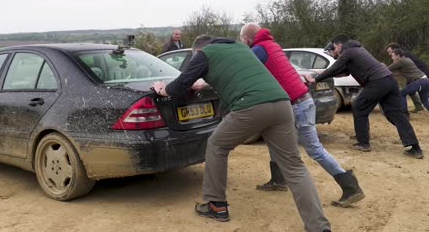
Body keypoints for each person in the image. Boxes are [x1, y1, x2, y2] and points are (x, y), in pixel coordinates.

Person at [152, 35, 331, 231]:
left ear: (197, 50)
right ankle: (318, 226)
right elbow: (238, 77)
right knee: (294, 167)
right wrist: (203, 84)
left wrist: (162, 90)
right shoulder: (241, 48)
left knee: (217, 145)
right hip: (282, 103)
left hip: (251, 106)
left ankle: (216, 205)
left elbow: (179, 86)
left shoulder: (204, 54)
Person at [239, 23, 365, 208]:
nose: (243, 43)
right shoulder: (272, 45)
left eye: (242, 40)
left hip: (298, 104)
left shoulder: (258, 49)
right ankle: (278, 180)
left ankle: (350, 186)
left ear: (247, 39)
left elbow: (243, 70)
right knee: (273, 136)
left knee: (314, 149)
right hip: (297, 102)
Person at [306, 34, 424, 159]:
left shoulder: (348, 52)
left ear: (339, 45)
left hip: (377, 82)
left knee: (359, 106)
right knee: (395, 114)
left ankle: (363, 143)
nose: (334, 50)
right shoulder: (357, 50)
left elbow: (335, 68)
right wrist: (321, 73)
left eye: (335, 47)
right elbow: (343, 72)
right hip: (389, 81)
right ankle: (414, 148)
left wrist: (315, 79)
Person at [386, 43, 429, 113]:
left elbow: (388, 69)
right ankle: (418, 106)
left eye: (392, 54)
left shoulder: (400, 61)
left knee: (401, 94)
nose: (391, 56)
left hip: (419, 80)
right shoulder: (407, 58)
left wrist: (381, 66)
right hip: (425, 80)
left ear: (398, 55)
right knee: (424, 100)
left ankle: (405, 114)